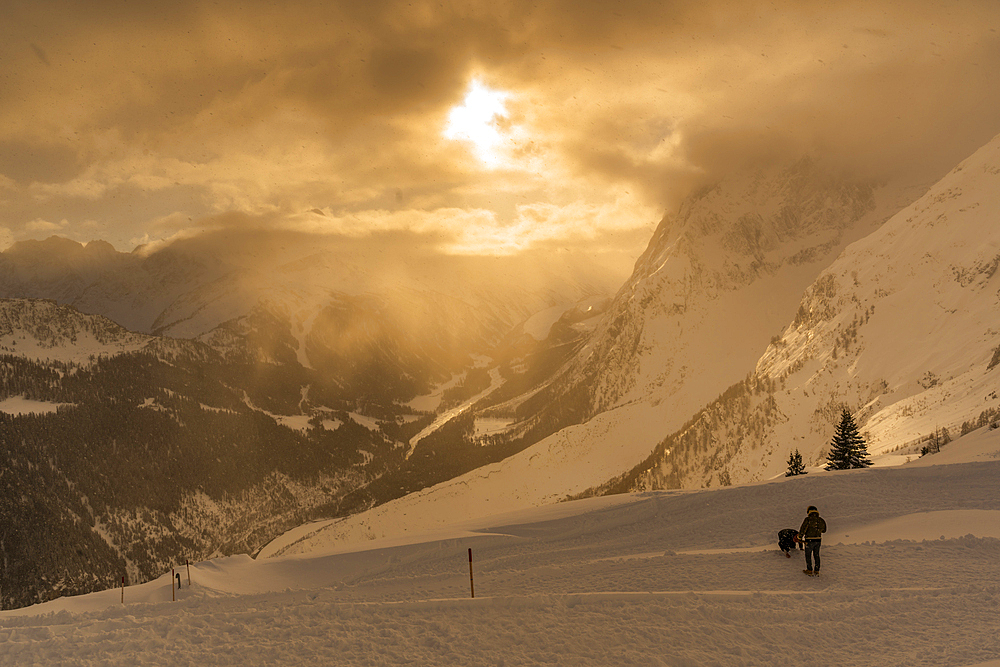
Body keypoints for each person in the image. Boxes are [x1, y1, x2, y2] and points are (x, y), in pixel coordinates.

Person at [798, 505, 827, 576]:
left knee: (808, 555)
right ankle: (817, 571)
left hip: (809, 540)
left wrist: (800, 537)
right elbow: (824, 530)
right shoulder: (821, 520)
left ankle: (809, 570)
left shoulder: (808, 519)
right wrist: (817, 530)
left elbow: (803, 529)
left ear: (808, 512)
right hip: (818, 540)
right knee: (816, 555)